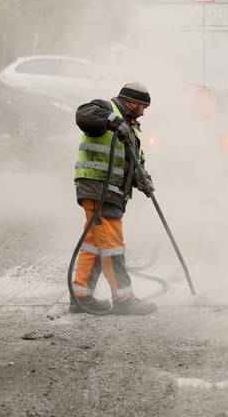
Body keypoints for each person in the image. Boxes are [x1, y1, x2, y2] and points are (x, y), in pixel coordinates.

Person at [70, 81, 158, 316]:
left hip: (108, 191)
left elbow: (134, 163)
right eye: (143, 106)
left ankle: (80, 297)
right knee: (112, 246)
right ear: (131, 103)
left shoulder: (132, 128)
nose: (144, 111)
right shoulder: (105, 109)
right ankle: (124, 299)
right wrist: (113, 121)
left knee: (95, 245)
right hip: (99, 186)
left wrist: (143, 180)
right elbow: (83, 114)